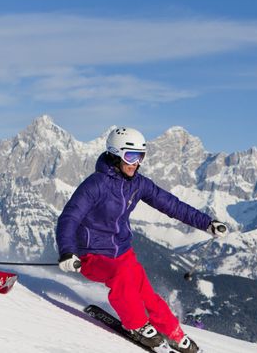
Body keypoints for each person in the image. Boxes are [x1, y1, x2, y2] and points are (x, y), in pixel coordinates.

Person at [55, 127, 229, 353]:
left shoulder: (138, 183)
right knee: (122, 278)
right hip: (92, 255)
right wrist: (67, 251)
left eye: (140, 157)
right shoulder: (95, 184)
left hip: (123, 253)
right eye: (130, 156)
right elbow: (70, 217)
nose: (135, 163)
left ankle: (173, 332)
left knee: (147, 294)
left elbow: (172, 205)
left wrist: (207, 223)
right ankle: (137, 325)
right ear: (115, 154)